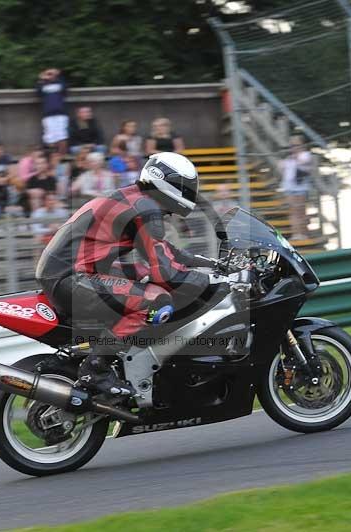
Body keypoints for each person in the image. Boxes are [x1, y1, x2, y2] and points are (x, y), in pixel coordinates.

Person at [35, 152, 212, 396]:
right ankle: (96, 367)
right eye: (185, 186)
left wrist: (211, 264)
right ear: (165, 181)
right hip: (72, 277)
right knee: (158, 300)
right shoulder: (145, 207)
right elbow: (166, 273)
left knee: (142, 278)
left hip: (71, 273)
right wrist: (207, 282)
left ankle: (115, 360)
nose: (189, 191)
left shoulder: (136, 199)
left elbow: (165, 251)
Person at [277, 135, 314, 239]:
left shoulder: (305, 155)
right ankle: (296, 233)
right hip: (289, 187)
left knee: (300, 210)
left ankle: (304, 233)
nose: (294, 147)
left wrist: (291, 158)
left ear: (302, 145)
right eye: (292, 145)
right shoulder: (288, 158)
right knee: (293, 211)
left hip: (301, 187)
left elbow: (303, 162)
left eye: (296, 145)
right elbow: (282, 170)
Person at [37, 68, 69, 155]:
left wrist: (58, 75)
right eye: (48, 74)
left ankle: (62, 156)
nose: (50, 75)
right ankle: (52, 156)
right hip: (48, 115)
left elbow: (65, 89)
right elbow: (38, 92)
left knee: (62, 136)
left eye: (52, 74)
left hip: (61, 114)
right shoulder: (43, 84)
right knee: (50, 138)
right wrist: (42, 78)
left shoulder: (60, 82)